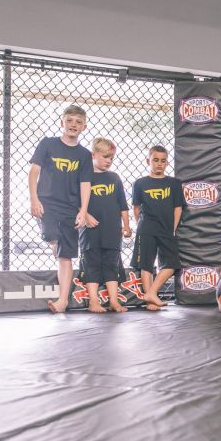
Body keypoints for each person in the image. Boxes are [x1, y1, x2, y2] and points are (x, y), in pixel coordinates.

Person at [28, 104, 93, 313]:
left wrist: (83, 210)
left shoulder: (84, 155)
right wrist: (34, 199)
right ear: (62, 122)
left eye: (78, 122)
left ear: (84, 126)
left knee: (66, 256)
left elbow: (85, 184)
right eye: (70, 120)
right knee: (50, 235)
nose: (73, 124)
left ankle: (62, 301)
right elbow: (33, 172)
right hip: (47, 202)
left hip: (70, 207)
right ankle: (55, 244)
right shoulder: (48, 144)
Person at [131, 145, 185, 310]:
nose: (159, 164)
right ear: (148, 161)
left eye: (163, 161)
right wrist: (140, 226)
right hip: (146, 228)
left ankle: (152, 292)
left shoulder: (174, 183)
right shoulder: (140, 183)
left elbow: (178, 208)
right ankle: (150, 301)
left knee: (172, 263)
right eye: (155, 160)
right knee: (146, 265)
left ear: (167, 163)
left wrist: (172, 229)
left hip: (166, 229)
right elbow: (136, 208)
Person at [80, 138, 131, 313]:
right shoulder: (84, 177)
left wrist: (126, 225)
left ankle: (114, 301)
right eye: (105, 156)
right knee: (92, 264)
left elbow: (123, 204)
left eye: (112, 157)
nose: (109, 161)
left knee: (111, 264)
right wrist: (85, 215)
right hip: (91, 229)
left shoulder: (114, 178)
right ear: (93, 154)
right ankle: (94, 301)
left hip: (111, 229)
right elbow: (75, 201)